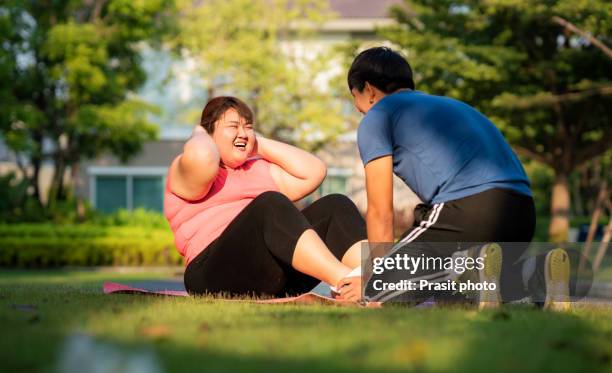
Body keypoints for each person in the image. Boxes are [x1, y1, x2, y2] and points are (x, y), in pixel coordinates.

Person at [336, 47, 570, 309]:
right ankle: (532, 273)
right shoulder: (454, 106)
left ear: (368, 90)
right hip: (522, 214)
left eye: (353, 97)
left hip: (469, 212)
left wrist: (374, 281)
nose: (358, 110)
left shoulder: (378, 116)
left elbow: (381, 212)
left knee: (379, 297)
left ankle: (468, 269)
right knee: (452, 299)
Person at [164, 96, 366, 300]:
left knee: (336, 205)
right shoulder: (188, 172)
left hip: (270, 274)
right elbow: (203, 156)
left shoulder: (258, 169)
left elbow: (315, 171)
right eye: (233, 126)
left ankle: (377, 278)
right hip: (211, 273)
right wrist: (200, 131)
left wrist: (256, 144)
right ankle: (346, 282)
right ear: (209, 134)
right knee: (270, 203)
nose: (243, 133)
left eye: (248, 126)